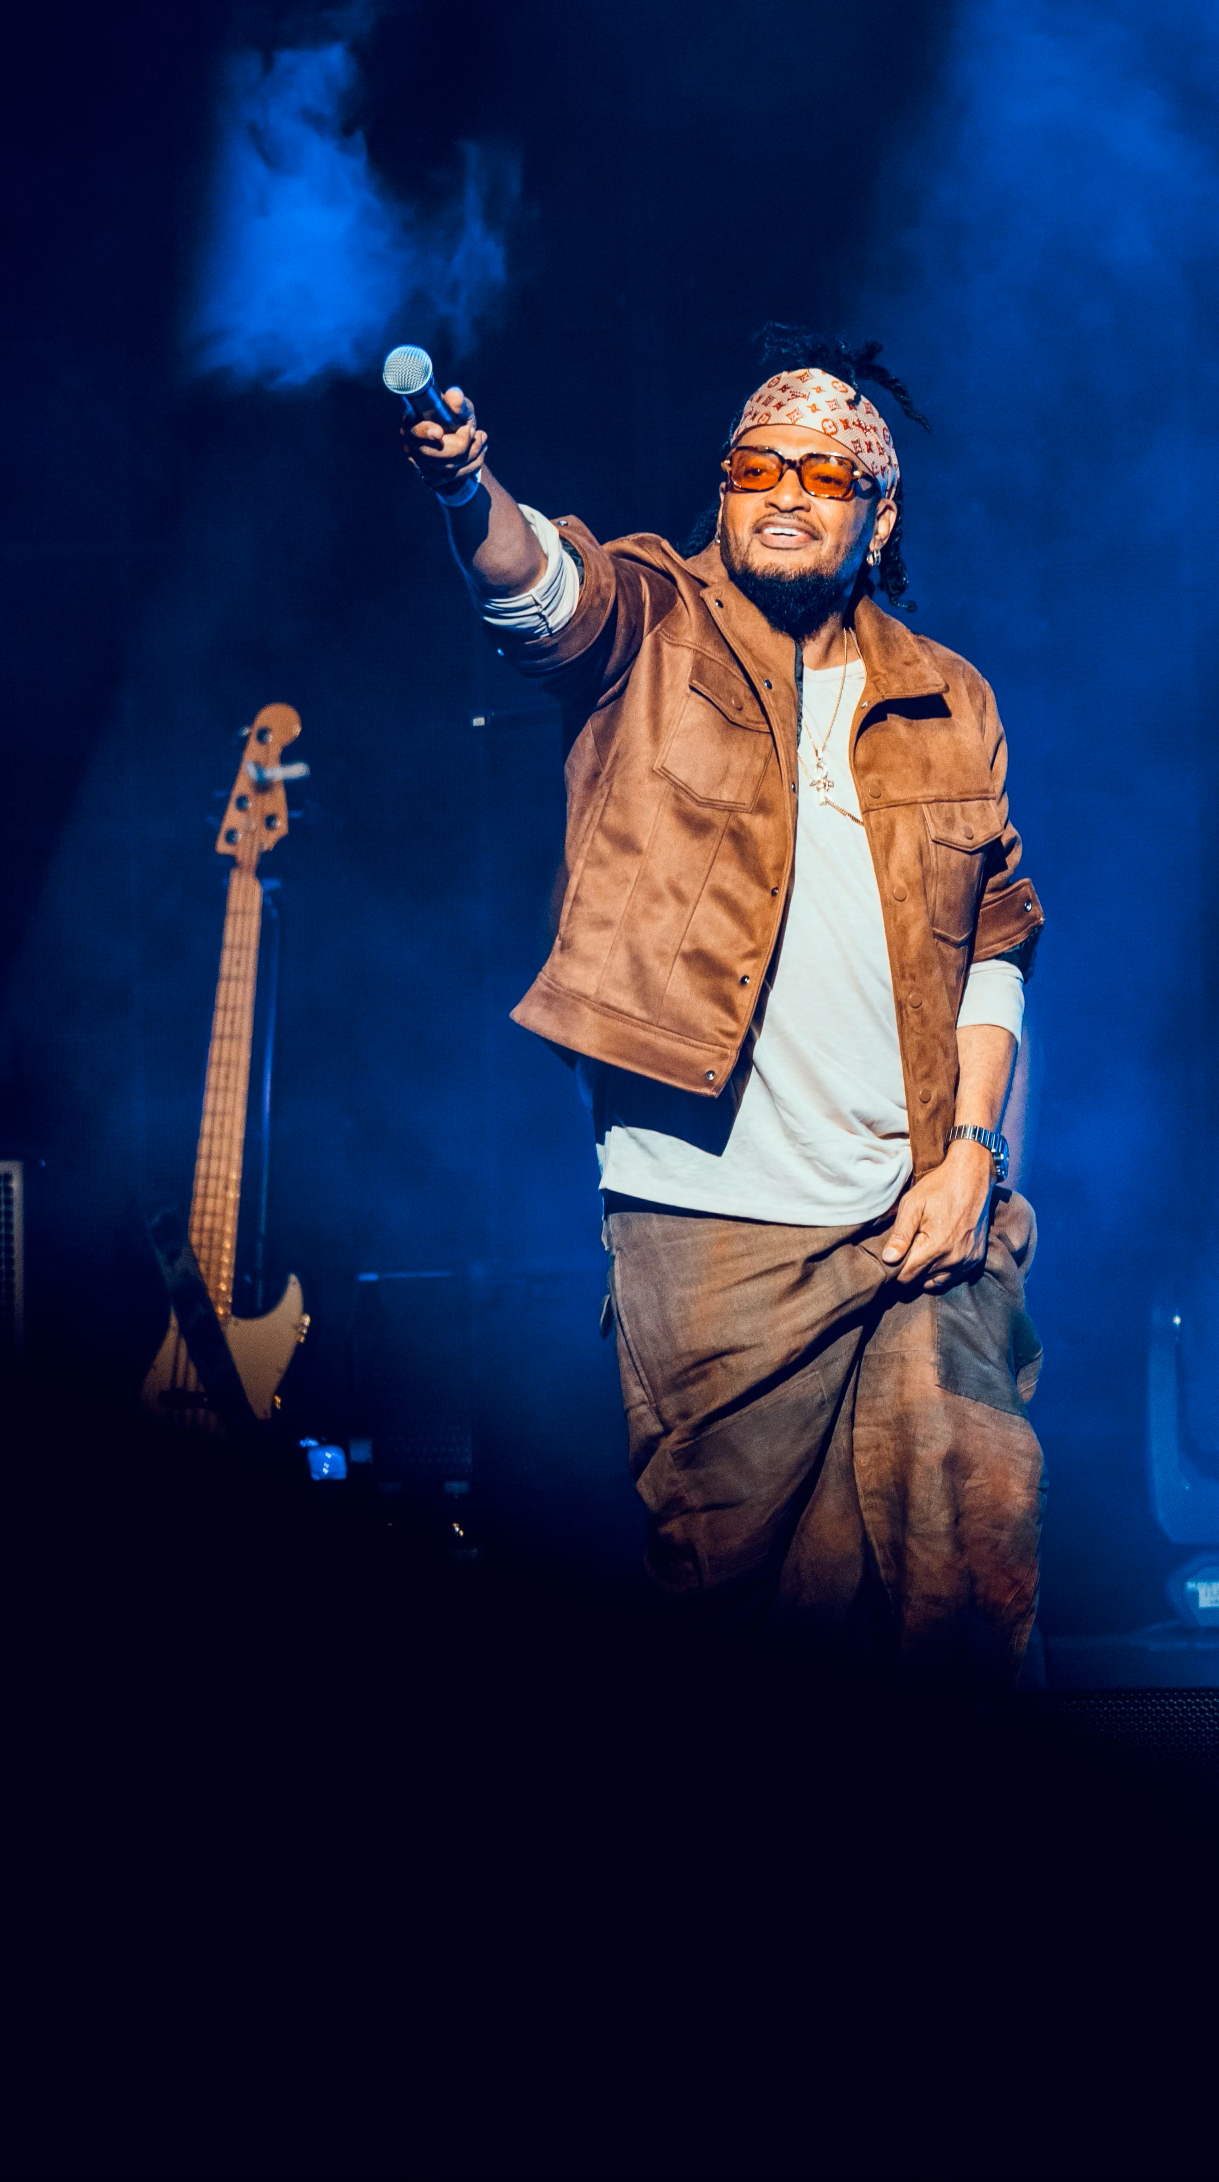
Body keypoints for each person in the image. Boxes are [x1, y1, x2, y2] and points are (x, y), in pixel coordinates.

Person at [401, 333, 1047, 1682]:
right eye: (759, 466)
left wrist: (975, 1160)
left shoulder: (949, 698)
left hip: (924, 1217)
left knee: (969, 1599)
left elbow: (997, 946)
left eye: (827, 472)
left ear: (879, 519)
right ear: (725, 492)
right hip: (714, 1230)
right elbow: (542, 594)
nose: (790, 489)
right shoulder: (655, 622)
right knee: (750, 1623)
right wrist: (471, 492)